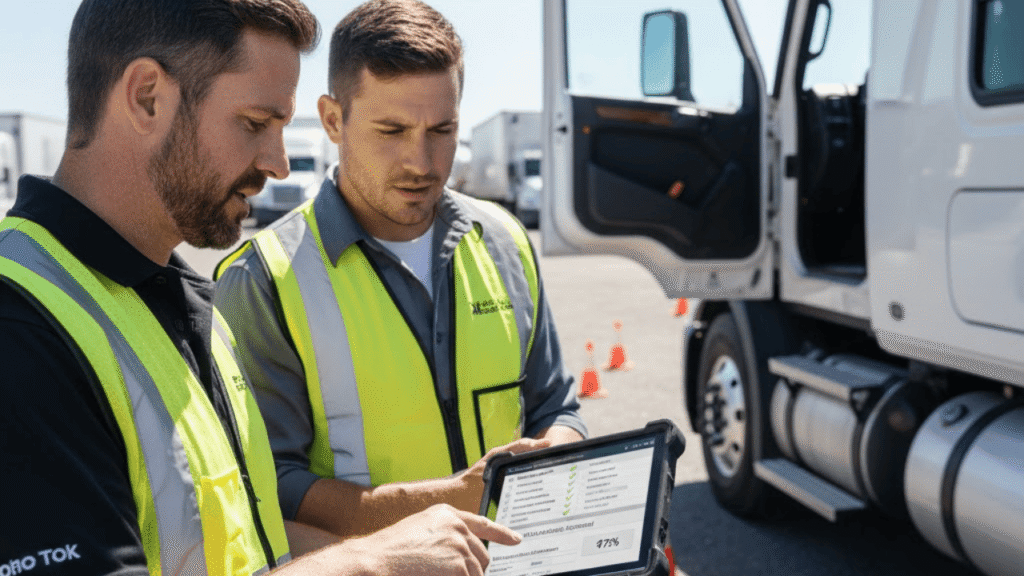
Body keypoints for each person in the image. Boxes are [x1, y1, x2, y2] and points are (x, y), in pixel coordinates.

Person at [0, 1, 521, 575]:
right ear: (147, 95)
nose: (277, 163)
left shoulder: (180, 301)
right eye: (254, 123)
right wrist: (371, 562)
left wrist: (404, 537)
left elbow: (249, 541)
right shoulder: (20, 327)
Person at [214, 0, 587, 539]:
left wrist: (553, 455)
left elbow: (557, 405)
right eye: (391, 131)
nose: (421, 162)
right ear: (333, 120)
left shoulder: (504, 240)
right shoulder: (262, 280)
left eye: (442, 130)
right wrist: (450, 500)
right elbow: (266, 484)